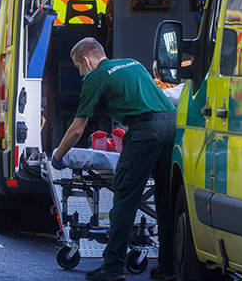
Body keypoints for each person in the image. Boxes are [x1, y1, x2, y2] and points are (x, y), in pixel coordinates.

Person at [52, 37, 177, 281]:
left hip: (144, 132)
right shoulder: (133, 64)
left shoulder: (95, 78)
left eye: (78, 67)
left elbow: (78, 129)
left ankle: (112, 268)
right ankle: (169, 268)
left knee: (125, 200)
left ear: (86, 61)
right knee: (166, 202)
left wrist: (58, 156)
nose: (80, 73)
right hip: (172, 126)